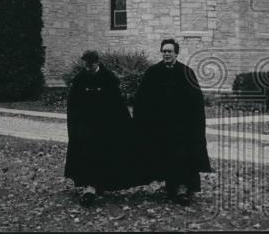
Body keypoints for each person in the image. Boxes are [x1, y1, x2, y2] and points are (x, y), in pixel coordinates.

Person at [132, 38, 212, 205]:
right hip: (161, 126)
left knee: (183, 157)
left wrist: (195, 124)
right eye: (164, 51)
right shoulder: (153, 72)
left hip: (182, 127)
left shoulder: (186, 72)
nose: (166, 53)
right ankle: (170, 187)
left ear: (176, 53)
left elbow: (196, 102)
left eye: (169, 51)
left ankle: (183, 189)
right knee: (165, 157)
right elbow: (142, 99)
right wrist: (143, 120)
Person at [64, 50, 143, 205]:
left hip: (105, 126)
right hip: (86, 126)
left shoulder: (108, 79)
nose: (88, 68)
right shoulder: (80, 79)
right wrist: (75, 124)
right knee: (86, 154)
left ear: (97, 62)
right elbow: (73, 103)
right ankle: (89, 188)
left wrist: (124, 123)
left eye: (91, 64)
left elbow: (117, 104)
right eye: (86, 65)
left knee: (103, 155)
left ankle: (99, 184)